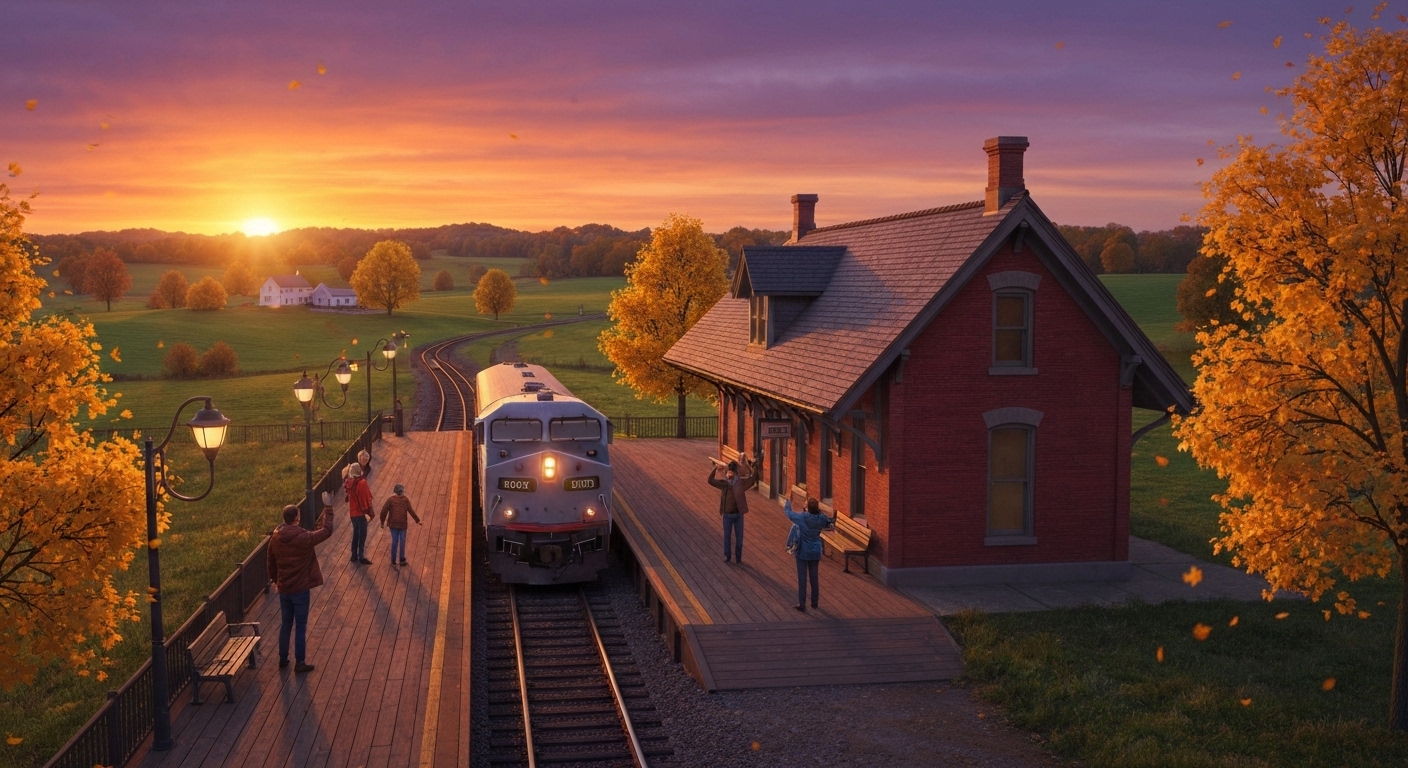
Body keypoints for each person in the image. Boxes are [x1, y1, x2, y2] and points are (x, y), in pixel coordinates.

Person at [267, 503, 334, 672]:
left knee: (286, 623)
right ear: (297, 519)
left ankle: (283, 658)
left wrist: (277, 581)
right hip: (300, 589)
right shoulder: (303, 538)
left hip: (284, 589)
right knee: (301, 625)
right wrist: (328, 510)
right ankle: (300, 662)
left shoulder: (275, 537)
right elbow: (326, 531)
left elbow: (271, 562)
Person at [783, 497, 835, 612]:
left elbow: (789, 513)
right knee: (814, 577)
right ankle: (814, 603)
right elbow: (829, 521)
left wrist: (787, 502)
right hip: (816, 550)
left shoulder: (802, 517)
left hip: (803, 551)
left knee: (802, 578)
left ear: (808, 508)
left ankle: (802, 604)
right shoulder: (821, 519)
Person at [707, 454, 757, 564]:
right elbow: (710, 481)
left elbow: (752, 480)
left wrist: (751, 467)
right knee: (727, 537)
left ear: (735, 473)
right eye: (728, 472)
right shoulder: (724, 484)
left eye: (732, 472)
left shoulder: (740, 483)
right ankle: (727, 555)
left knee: (739, 538)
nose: (729, 474)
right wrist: (715, 468)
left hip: (738, 515)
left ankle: (738, 557)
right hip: (727, 515)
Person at [379, 483, 422, 566]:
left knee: (394, 541)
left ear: (394, 492)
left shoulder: (390, 500)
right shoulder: (405, 500)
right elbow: (411, 511)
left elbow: (383, 511)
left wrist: (382, 522)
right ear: (402, 492)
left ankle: (393, 560)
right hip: (402, 525)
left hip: (393, 524)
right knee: (402, 542)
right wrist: (417, 520)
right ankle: (402, 559)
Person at [344, 462, 373, 564]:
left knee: (356, 534)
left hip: (353, 514)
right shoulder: (362, 483)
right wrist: (369, 511)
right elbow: (367, 497)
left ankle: (353, 556)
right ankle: (361, 556)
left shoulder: (348, 482)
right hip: (361, 513)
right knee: (362, 535)